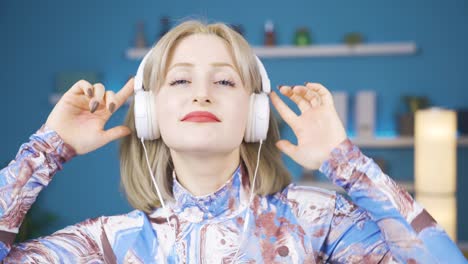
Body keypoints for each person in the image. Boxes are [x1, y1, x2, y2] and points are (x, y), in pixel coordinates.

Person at [0, 20, 466, 263]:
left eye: (224, 82)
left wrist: (348, 164)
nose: (202, 91)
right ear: (149, 114)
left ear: (254, 113)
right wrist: (46, 150)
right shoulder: (106, 243)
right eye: (180, 81)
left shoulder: (318, 220)